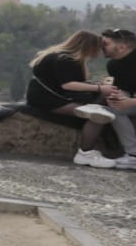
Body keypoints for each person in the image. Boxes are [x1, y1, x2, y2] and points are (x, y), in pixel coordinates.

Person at [25, 29, 120, 168]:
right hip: (49, 100)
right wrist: (100, 88)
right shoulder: (64, 59)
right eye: (98, 48)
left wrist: (97, 87)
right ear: (88, 46)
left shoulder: (62, 56)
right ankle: (85, 153)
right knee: (98, 115)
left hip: (47, 96)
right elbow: (68, 84)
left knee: (100, 103)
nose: (99, 52)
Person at [101, 28, 136, 170]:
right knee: (114, 110)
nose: (101, 47)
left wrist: (131, 102)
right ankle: (133, 155)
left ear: (122, 46)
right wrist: (117, 98)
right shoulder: (113, 65)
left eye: (105, 44)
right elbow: (125, 89)